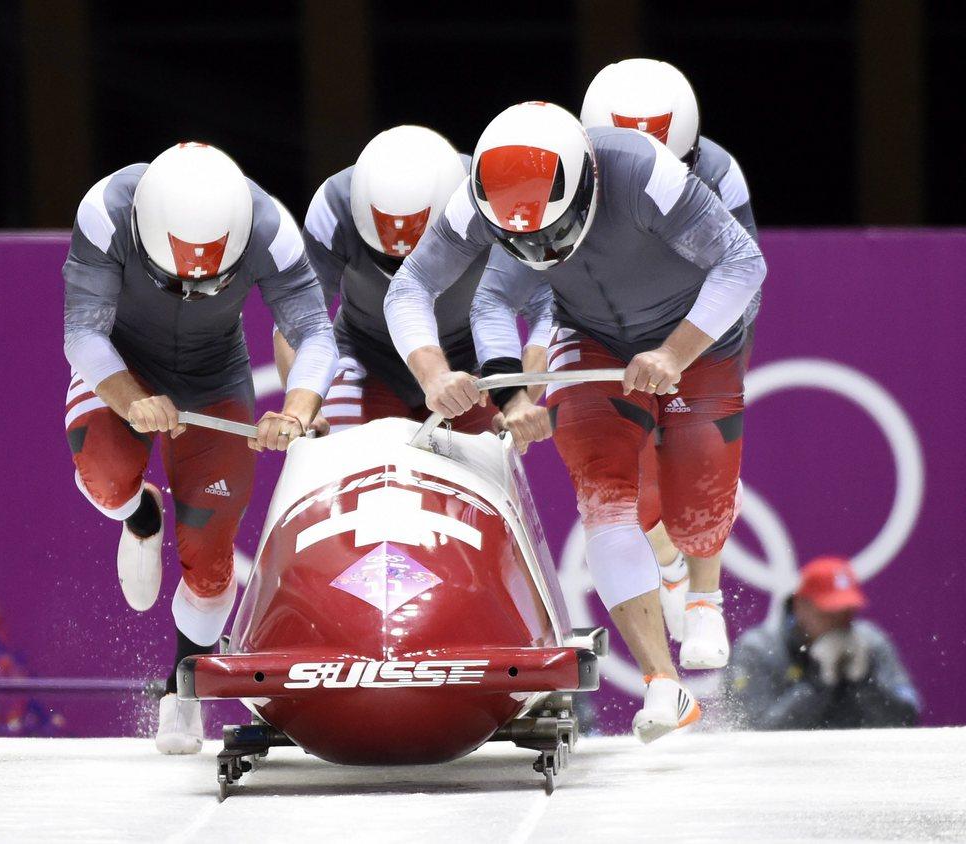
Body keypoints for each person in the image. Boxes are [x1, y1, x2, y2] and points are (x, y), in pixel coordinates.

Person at [383, 101, 766, 742]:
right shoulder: (475, 204)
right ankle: (664, 687)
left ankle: (694, 570)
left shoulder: (644, 171)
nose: (540, 250)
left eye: (551, 236)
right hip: (585, 336)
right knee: (605, 501)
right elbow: (411, 289)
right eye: (523, 242)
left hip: (696, 341)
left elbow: (743, 264)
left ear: (586, 181)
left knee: (697, 520)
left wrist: (675, 352)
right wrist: (433, 375)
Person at [62, 142, 338, 754]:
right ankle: (139, 515)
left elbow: (316, 333)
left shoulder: (269, 226)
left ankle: (181, 688)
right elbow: (82, 331)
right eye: (176, 278)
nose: (191, 288)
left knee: (211, 562)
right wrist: (131, 398)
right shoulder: (106, 210)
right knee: (106, 478)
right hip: (121, 363)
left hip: (214, 379)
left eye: (209, 281)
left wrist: (296, 410)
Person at [581, 58, 760, 662]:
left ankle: (705, 600)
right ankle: (669, 568)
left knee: (700, 477)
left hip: (691, 338)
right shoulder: (574, 173)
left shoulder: (720, 173)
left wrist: (707, 352)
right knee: (632, 492)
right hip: (606, 334)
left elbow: (744, 277)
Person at [272, 125, 551, 433]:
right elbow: (298, 321)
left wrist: (517, 397)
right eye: (392, 260)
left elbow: (547, 306)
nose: (406, 267)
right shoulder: (334, 204)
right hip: (367, 360)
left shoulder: (490, 198)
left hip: (467, 372)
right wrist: (304, 408)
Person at [724, 557, 920, 729]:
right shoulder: (758, 650)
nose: (840, 622)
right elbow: (754, 730)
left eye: (847, 612)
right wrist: (817, 684)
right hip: (783, 766)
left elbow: (907, 718)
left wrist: (866, 684)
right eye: (830, 613)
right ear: (801, 606)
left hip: (857, 762)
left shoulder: (870, 643)